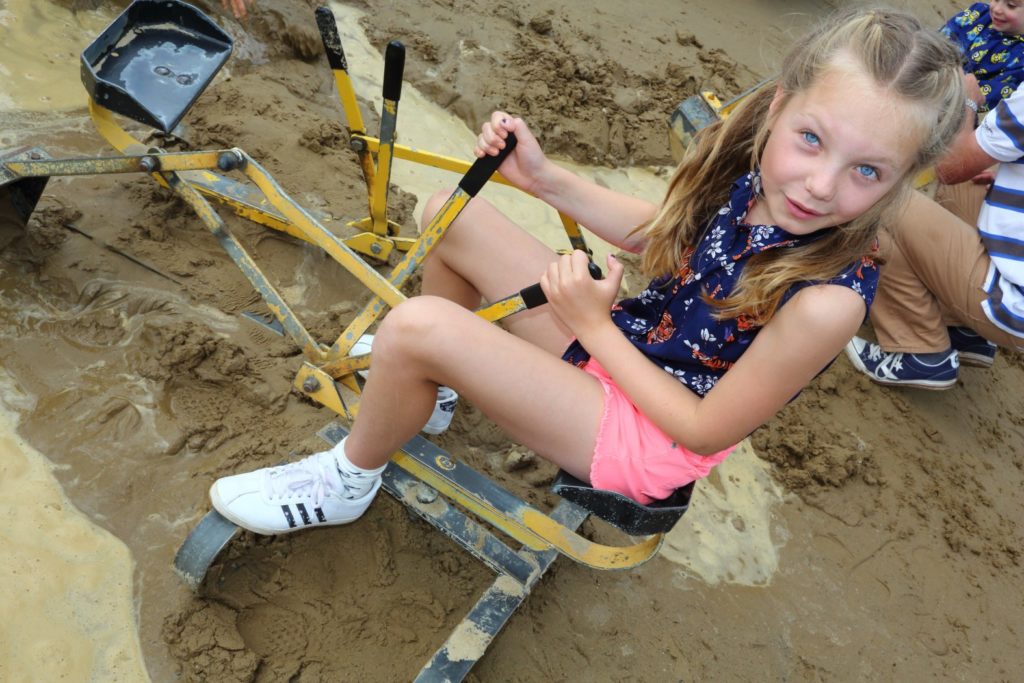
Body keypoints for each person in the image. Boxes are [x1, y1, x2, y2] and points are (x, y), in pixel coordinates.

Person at [208, 8, 966, 535]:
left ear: (902, 181)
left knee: (416, 325)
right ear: (777, 111)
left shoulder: (829, 302)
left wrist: (592, 326)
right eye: (811, 139)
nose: (821, 185)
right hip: (627, 345)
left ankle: (347, 478)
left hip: (649, 438)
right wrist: (543, 179)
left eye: (866, 171)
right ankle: (429, 390)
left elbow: (702, 430)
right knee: (451, 211)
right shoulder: (757, 175)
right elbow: (662, 237)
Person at [845, 59, 1024, 389]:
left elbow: (949, 166)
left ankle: (920, 351)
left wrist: (968, 100)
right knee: (970, 182)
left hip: (1014, 304)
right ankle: (961, 327)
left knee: (881, 199)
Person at [942, 1, 1024, 113]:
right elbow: (937, 42)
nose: (996, 9)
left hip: (947, 111)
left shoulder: (1020, 60)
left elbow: (982, 98)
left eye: (1010, 5)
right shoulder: (978, 11)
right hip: (920, 78)